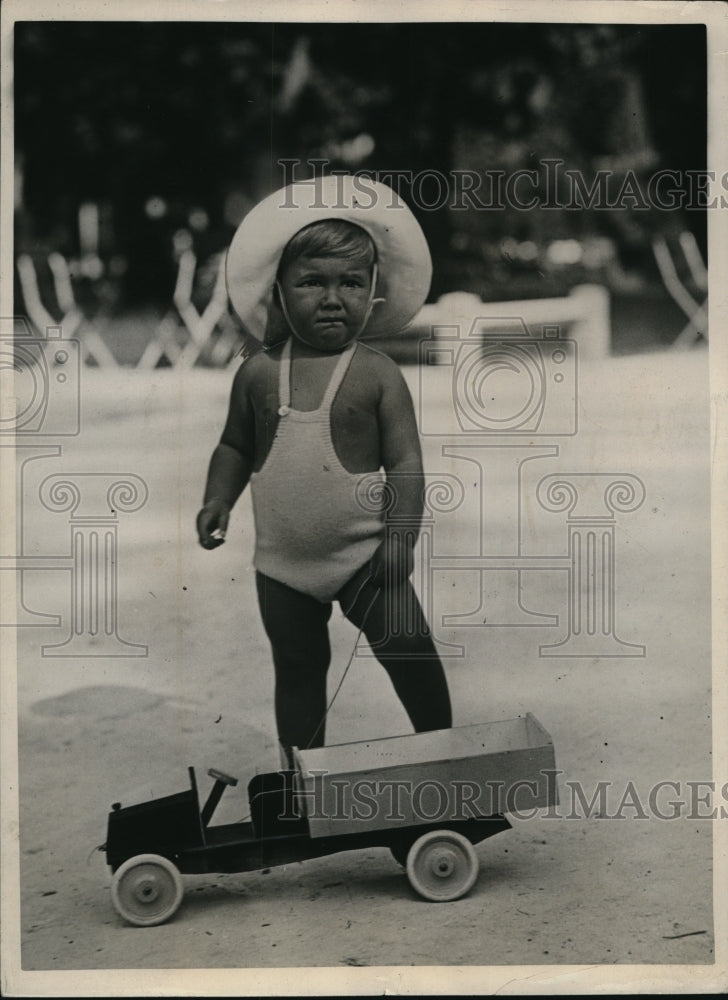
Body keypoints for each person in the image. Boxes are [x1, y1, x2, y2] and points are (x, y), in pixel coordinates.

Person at [197, 175, 451, 768]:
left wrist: (401, 536)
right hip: (283, 566)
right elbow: (234, 445)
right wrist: (217, 500)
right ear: (279, 294)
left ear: (374, 294)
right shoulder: (258, 373)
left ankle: (444, 751)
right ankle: (305, 777)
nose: (333, 298)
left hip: (365, 556)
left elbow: (407, 462)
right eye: (312, 282)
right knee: (299, 668)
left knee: (409, 646)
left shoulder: (377, 373)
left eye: (351, 284)